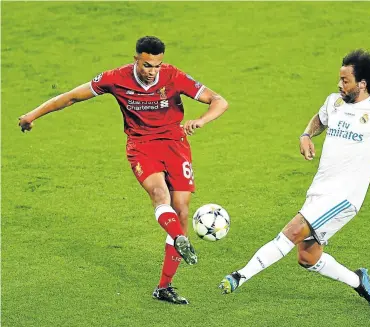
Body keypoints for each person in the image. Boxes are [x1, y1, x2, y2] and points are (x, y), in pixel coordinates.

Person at [19, 36, 228, 305]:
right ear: (136, 59)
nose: (152, 71)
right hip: (142, 146)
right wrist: (31, 115)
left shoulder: (173, 76)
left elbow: (219, 101)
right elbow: (71, 97)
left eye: (157, 65)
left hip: (176, 145)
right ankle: (179, 239)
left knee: (182, 211)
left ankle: (165, 287)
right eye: (147, 65)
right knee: (159, 194)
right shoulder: (116, 78)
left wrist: (201, 120)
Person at [219, 49, 370, 309]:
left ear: (362, 84)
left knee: (292, 231)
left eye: (346, 81)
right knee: (308, 257)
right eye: (340, 79)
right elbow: (320, 120)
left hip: (344, 197)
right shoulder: (335, 102)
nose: (339, 84)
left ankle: (239, 276)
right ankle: (358, 280)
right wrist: (306, 135)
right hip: (320, 189)